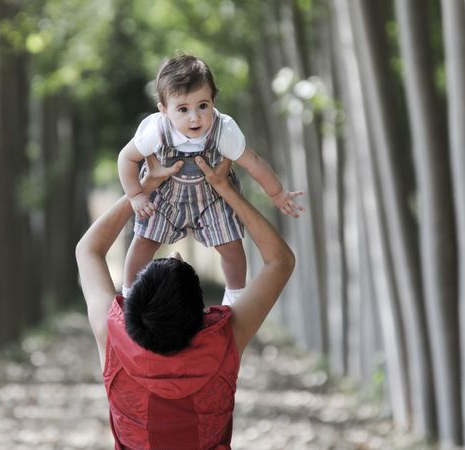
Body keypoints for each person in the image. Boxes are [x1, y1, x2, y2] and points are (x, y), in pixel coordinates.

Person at [76, 155, 295, 449]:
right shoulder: (224, 339)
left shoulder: (112, 333)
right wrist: (226, 191)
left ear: (133, 303)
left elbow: (87, 250)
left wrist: (141, 188)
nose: (175, 253)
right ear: (202, 315)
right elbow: (280, 260)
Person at [117, 54, 303, 306]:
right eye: (183, 109)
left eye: (202, 106)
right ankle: (130, 295)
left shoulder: (223, 130)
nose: (195, 117)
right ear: (164, 110)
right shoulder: (156, 130)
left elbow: (253, 162)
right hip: (164, 196)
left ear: (213, 101)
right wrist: (136, 195)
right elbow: (126, 159)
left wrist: (277, 194)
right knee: (144, 241)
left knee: (232, 247)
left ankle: (235, 298)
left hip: (212, 198)